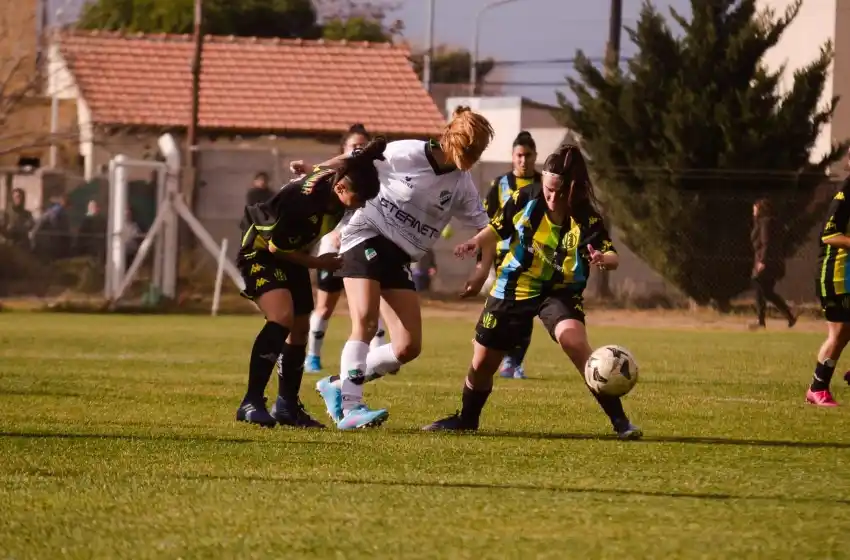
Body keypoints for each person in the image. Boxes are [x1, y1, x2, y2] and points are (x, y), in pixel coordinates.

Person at [422, 144, 642, 439]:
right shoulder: (525, 198)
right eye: (547, 189)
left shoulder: (586, 217)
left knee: (575, 343)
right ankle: (467, 419)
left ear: (571, 189)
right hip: (515, 285)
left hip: (561, 291)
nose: (550, 197)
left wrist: (603, 260)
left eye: (557, 191)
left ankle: (621, 423)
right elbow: (498, 228)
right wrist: (476, 242)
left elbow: (612, 255)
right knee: (483, 362)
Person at [314, 106, 495, 430]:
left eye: (478, 151)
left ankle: (338, 386)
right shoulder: (406, 153)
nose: (473, 156)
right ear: (452, 139)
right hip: (365, 236)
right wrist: (312, 173)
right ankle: (351, 408)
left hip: (398, 257)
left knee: (408, 346)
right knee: (366, 322)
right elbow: (353, 160)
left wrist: (481, 271)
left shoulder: (462, 185)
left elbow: (488, 231)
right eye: (469, 149)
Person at [235, 138, 387, 428]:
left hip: (295, 253)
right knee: (282, 317)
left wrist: (363, 153)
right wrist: (321, 263)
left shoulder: (339, 177)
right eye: (359, 200)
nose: (361, 206)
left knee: (301, 328)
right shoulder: (304, 204)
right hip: (261, 250)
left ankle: (287, 406)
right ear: (341, 188)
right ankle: (251, 401)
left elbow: (339, 162)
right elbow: (276, 249)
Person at [304, 124, 389, 373]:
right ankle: (312, 357)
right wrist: (333, 233)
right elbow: (321, 211)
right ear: (344, 149)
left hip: (364, 249)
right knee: (325, 306)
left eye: (363, 146)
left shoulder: (375, 177)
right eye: (354, 146)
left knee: (371, 304)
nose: (359, 150)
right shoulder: (334, 176)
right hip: (333, 249)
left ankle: (377, 357)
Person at [483, 130, 541, 379]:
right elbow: (487, 224)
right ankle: (500, 355)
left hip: (535, 255)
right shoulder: (499, 185)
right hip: (504, 256)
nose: (523, 160)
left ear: (535, 156)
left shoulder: (543, 184)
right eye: (519, 155)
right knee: (504, 308)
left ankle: (514, 360)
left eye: (528, 155)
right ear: (512, 156)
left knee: (526, 309)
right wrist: (481, 261)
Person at [808, 178, 850, 406]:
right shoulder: (846, 193)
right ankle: (817, 388)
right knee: (841, 331)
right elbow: (829, 235)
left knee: (843, 332)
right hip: (836, 273)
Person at [749, 198, 796, 330]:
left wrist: (763, 261)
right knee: (765, 291)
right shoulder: (763, 223)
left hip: (767, 263)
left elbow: (766, 243)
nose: (753, 211)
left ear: (761, 210)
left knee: (762, 289)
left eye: (755, 208)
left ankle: (763, 320)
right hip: (768, 261)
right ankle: (785, 317)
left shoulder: (766, 223)